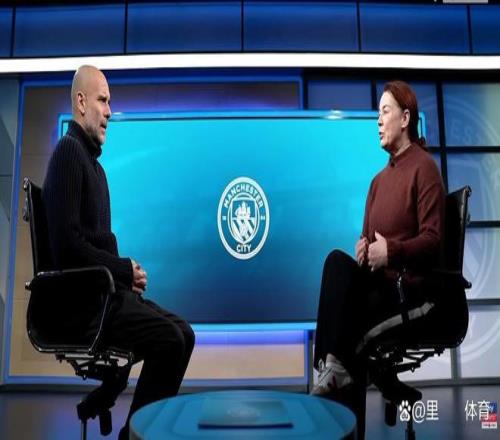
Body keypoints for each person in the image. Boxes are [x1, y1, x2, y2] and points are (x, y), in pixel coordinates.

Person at [42, 65, 195, 439]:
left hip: (104, 295)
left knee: (185, 334)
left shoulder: (95, 169)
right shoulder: (68, 153)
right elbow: (67, 246)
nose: (110, 111)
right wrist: (123, 270)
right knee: (170, 340)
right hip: (82, 307)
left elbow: (96, 246)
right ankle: (134, 435)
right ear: (81, 103)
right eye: (103, 100)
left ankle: (127, 417)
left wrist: (126, 275)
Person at [311, 80, 445, 438]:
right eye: (378, 114)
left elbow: (434, 241)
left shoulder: (424, 168)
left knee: (351, 330)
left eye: (385, 112)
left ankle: (338, 380)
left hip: (406, 290)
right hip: (376, 284)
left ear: (405, 118)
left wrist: (391, 252)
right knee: (336, 263)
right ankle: (327, 367)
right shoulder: (377, 182)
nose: (378, 121)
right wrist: (364, 249)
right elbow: (368, 238)